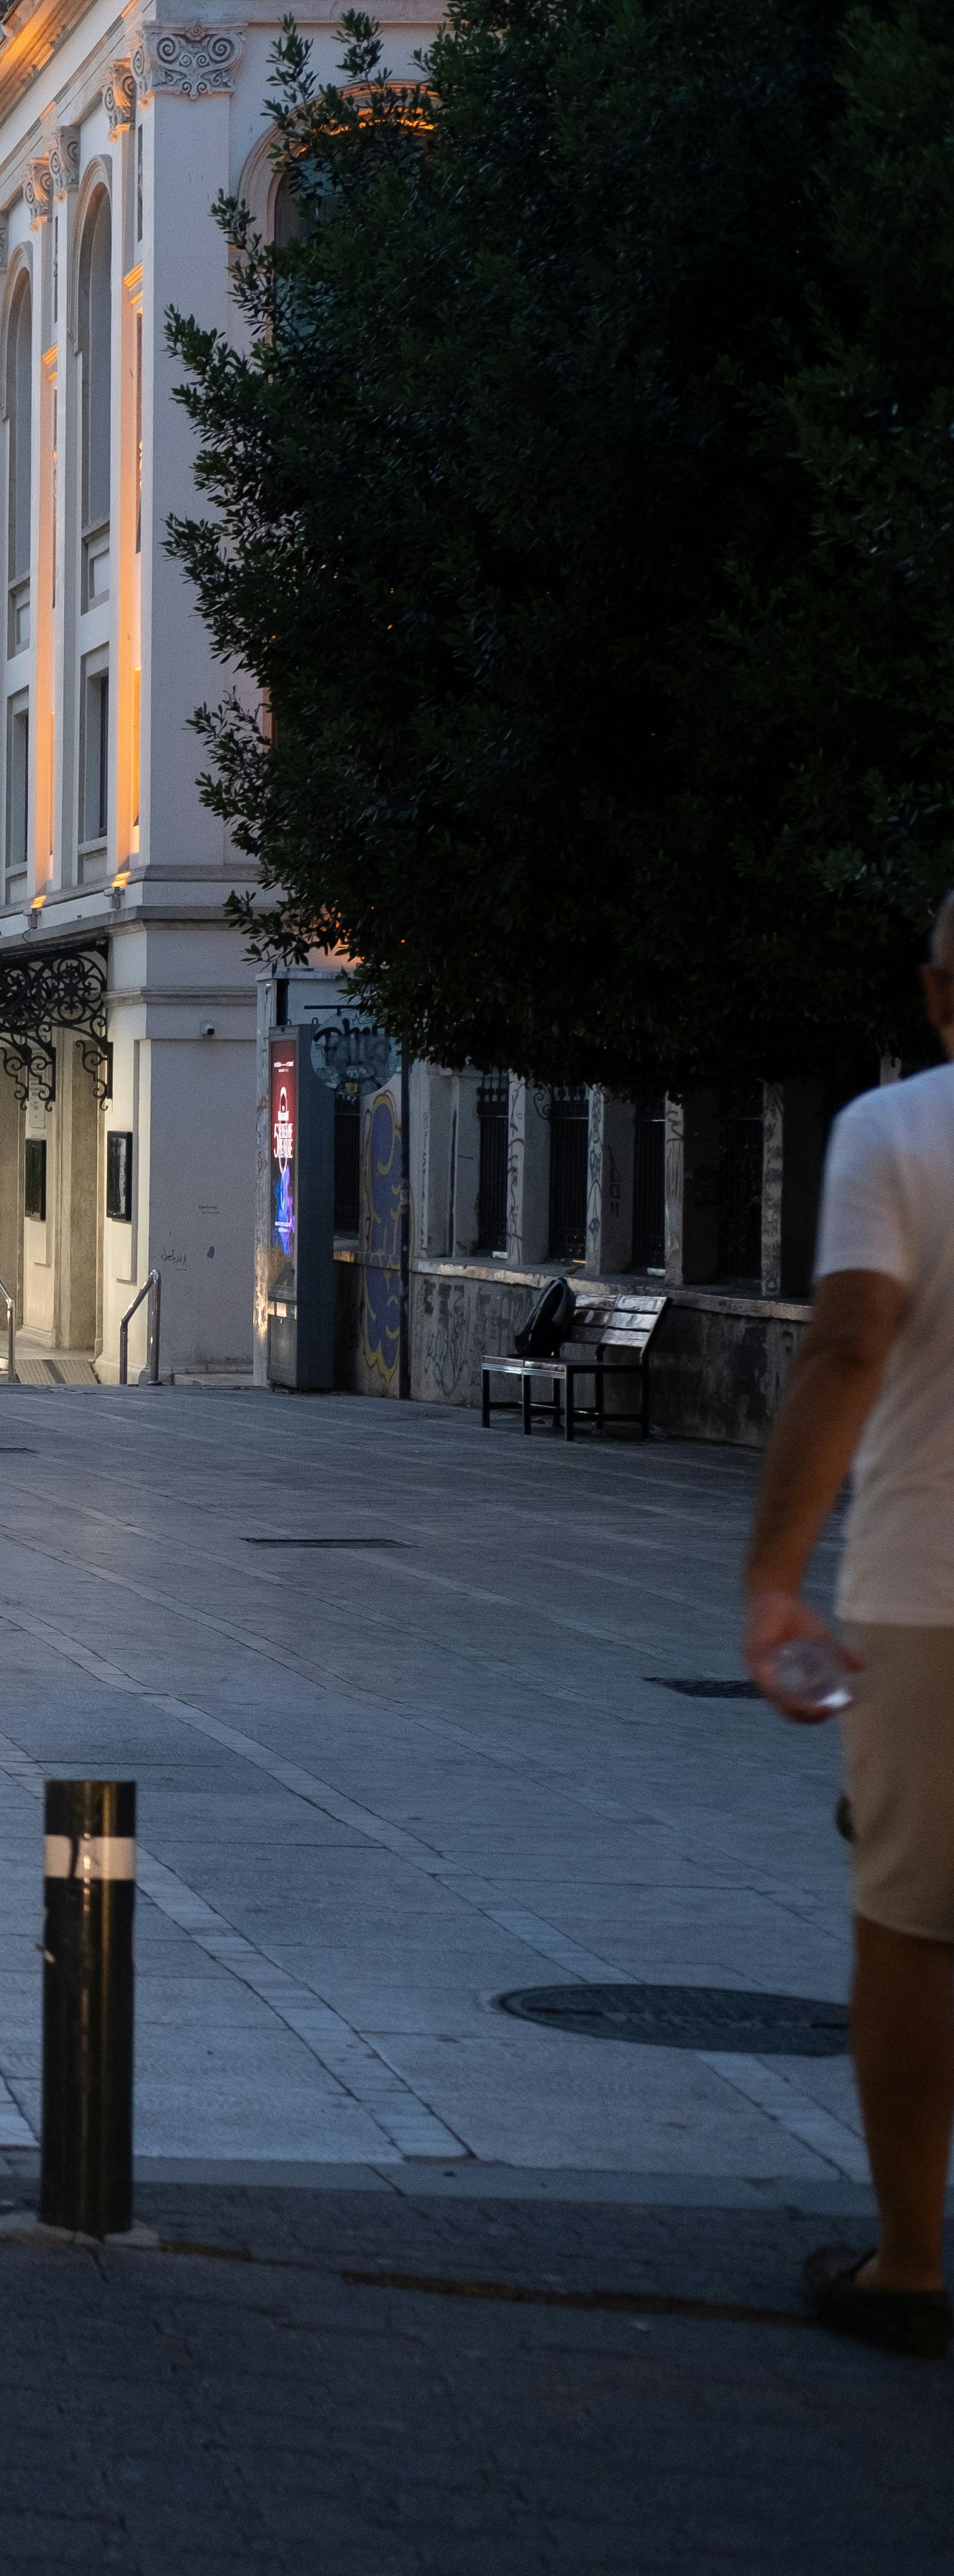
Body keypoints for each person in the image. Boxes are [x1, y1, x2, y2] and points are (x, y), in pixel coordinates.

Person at [742, 892, 954, 2359]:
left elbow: (847, 1343)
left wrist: (769, 1576)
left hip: (929, 1591)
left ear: (941, 992)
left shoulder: (897, 1132)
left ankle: (909, 2262)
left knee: (913, 1924)